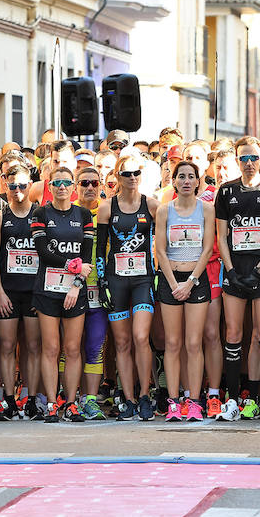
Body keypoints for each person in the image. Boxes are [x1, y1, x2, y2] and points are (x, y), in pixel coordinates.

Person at [215, 137, 260, 422]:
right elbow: (221, 236)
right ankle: (233, 401)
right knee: (233, 335)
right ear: (237, 160)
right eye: (243, 158)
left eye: (253, 158)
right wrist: (230, 271)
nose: (249, 163)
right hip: (234, 271)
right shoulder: (226, 190)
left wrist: (258, 270)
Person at [96, 155, 158, 421]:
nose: (132, 178)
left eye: (136, 173)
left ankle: (145, 395)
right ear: (117, 177)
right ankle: (129, 398)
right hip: (117, 279)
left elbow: (160, 243)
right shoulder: (106, 207)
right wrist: (102, 282)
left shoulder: (153, 205)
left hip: (143, 278)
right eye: (126, 173)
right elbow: (99, 249)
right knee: (121, 342)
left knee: (141, 337)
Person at [31, 166, 94, 423]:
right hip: (48, 288)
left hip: (74, 289)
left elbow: (87, 257)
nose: (62, 187)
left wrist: (77, 282)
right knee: (51, 348)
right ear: (50, 185)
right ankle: (51, 403)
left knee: (72, 348)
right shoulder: (41, 212)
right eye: (57, 182)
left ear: (74, 186)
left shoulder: (84, 213)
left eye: (67, 183)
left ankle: (71, 402)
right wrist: (72, 265)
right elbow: (43, 251)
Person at [155, 161, 215, 421]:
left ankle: (194, 401)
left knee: (193, 342)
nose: (187, 181)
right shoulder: (164, 210)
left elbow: (207, 248)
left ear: (198, 181)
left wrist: (190, 281)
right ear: (175, 181)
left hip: (196, 279)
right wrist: (173, 283)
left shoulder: (207, 210)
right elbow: (160, 250)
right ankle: (173, 400)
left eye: (191, 177)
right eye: (182, 177)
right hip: (170, 279)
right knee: (172, 342)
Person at [0, 165, 42, 420]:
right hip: (9, 293)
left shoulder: (40, 215)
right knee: (7, 346)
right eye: (13, 186)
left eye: (23, 185)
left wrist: (41, 294)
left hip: (34, 293)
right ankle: (9, 400)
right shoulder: (0, 217)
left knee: (33, 346)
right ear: (5, 186)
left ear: (31, 185)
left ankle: (32, 399)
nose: (18, 191)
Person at [73, 166, 110, 421]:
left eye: (94, 183)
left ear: (101, 186)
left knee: (95, 346)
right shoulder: (68, 211)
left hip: (99, 289)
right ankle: (70, 397)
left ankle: (90, 399)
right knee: (70, 348)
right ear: (76, 185)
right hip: (70, 288)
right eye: (84, 183)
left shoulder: (107, 212)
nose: (89, 187)